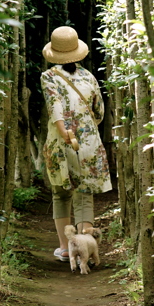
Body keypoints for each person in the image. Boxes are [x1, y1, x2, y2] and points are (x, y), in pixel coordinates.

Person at [40, 25, 112, 261]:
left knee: (61, 195)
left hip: (61, 142)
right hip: (88, 140)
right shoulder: (88, 76)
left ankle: (65, 248)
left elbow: (55, 107)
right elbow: (99, 111)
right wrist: (85, 129)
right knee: (85, 194)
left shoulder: (49, 77)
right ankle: (87, 246)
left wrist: (64, 132)